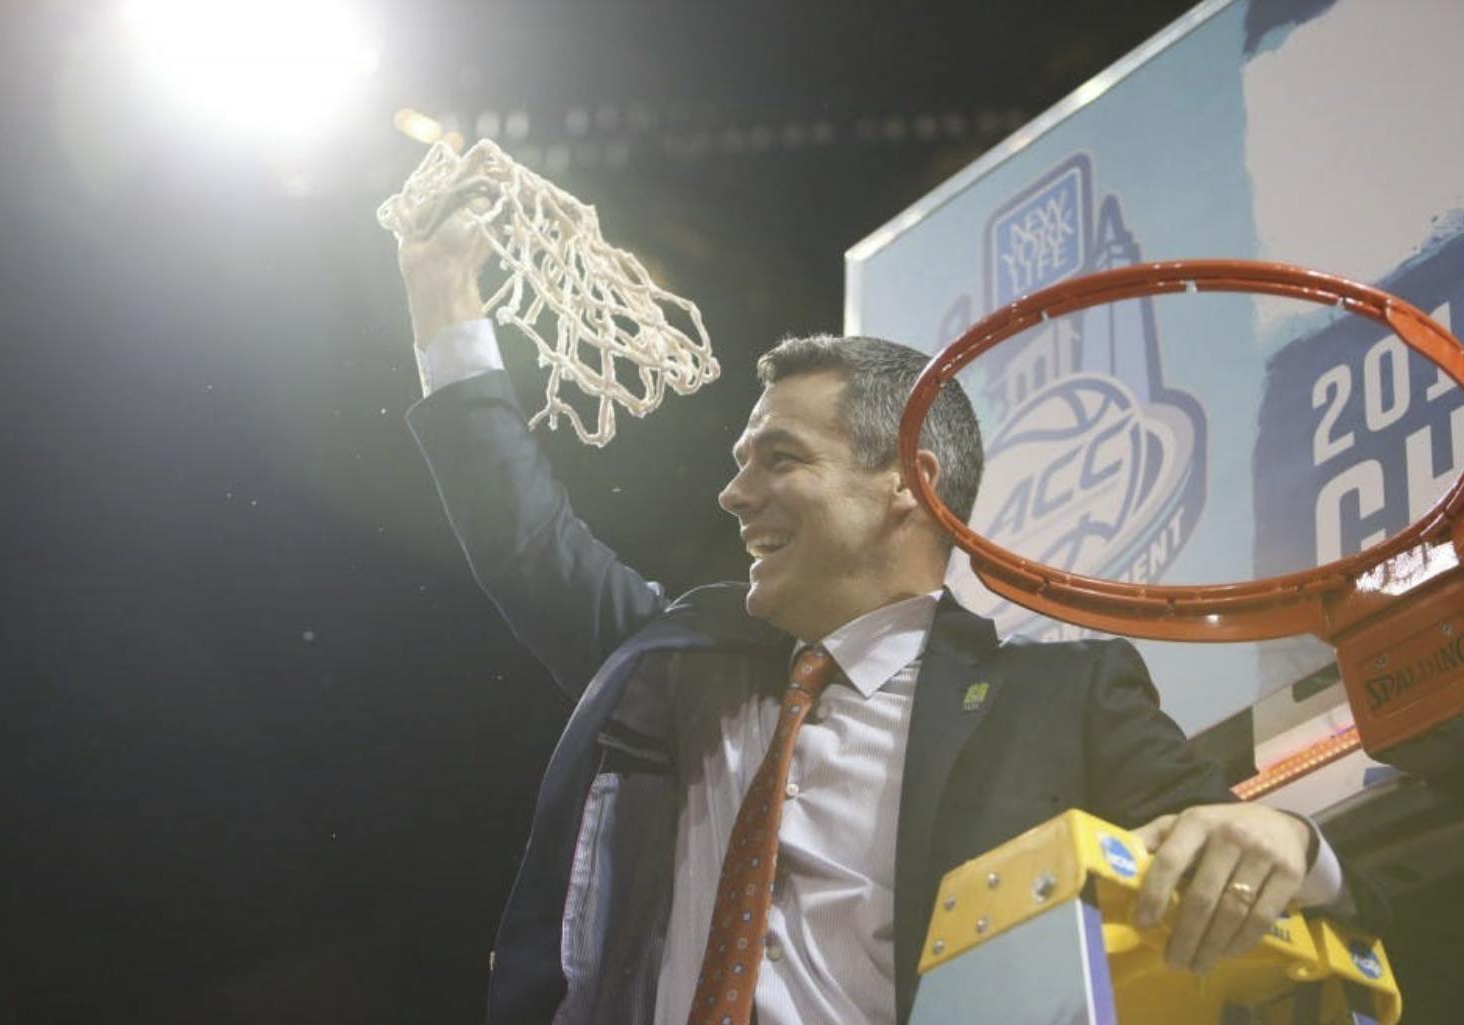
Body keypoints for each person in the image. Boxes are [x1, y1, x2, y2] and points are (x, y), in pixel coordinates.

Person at [394, 198, 1373, 1025]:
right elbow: (522, 540)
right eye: (739, 465)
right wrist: (443, 303)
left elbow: (1252, 868)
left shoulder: (1064, 696)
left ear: (909, 482)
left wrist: (1291, 844)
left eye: (778, 459)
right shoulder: (673, 660)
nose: (734, 497)